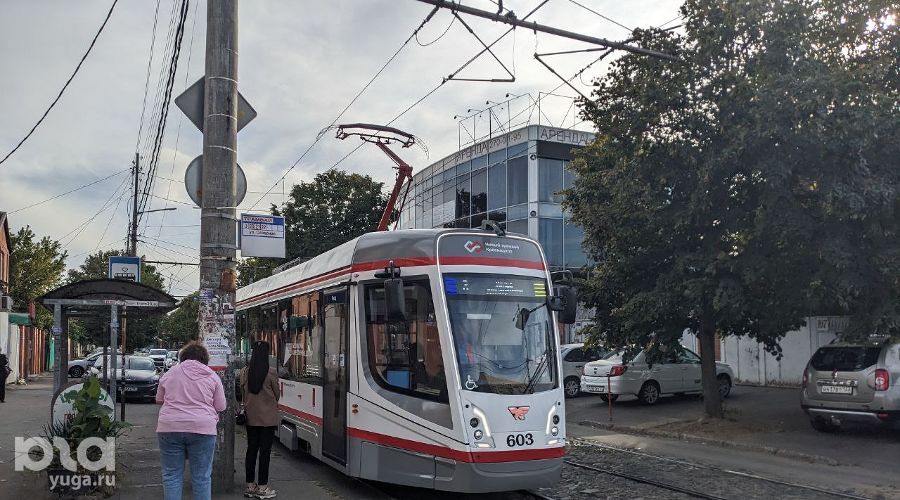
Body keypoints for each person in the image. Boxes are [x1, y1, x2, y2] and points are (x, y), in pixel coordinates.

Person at [156, 342, 226, 500]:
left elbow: (159, 399)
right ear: (205, 359)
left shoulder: (170, 373)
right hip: (203, 429)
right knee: (201, 478)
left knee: (171, 475)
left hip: (169, 427)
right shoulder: (212, 376)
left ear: (183, 357)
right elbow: (221, 406)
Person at [240, 341, 280, 499]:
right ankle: (263, 487)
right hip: (268, 420)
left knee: (251, 450)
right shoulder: (271, 372)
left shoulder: (244, 371)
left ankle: (250, 486)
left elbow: (243, 393)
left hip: (251, 418)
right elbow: (277, 395)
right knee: (265, 453)